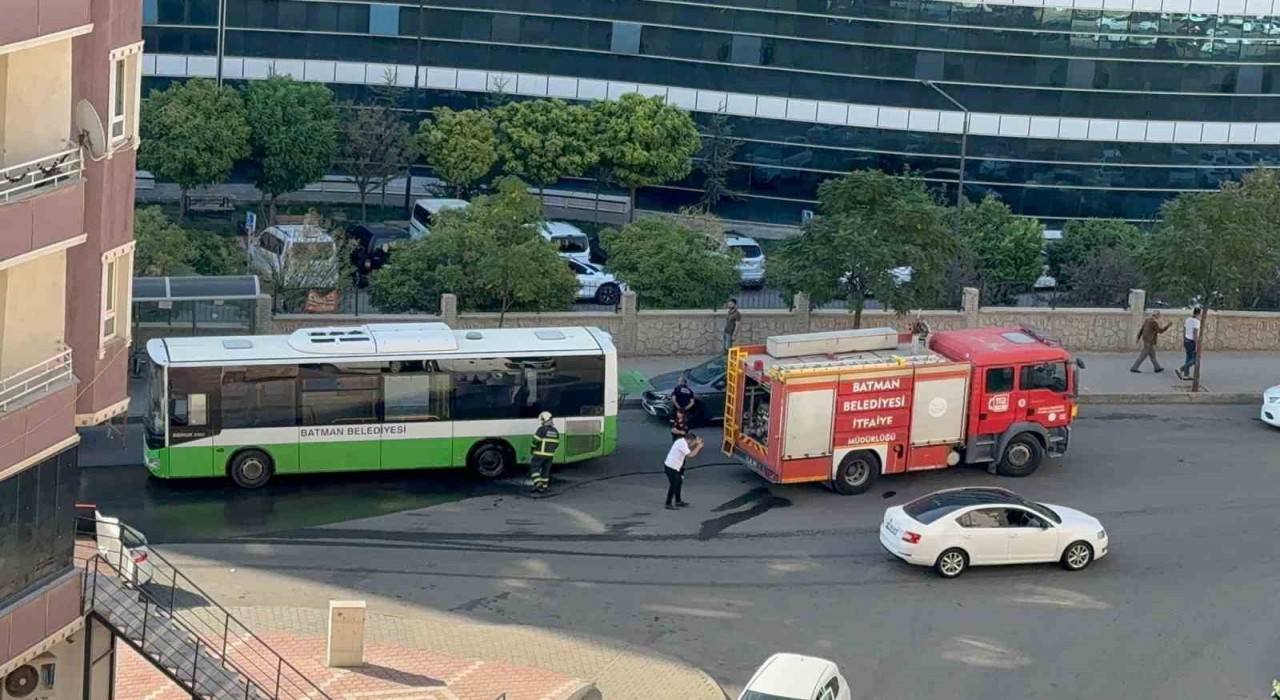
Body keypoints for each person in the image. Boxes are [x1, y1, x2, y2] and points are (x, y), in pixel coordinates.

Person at [664, 431, 703, 510]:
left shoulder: (682, 441)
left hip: (674, 467)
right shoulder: (682, 444)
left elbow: (689, 448)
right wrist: (698, 447)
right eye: (693, 442)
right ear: (689, 440)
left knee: (678, 482)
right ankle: (668, 503)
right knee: (674, 484)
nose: (693, 444)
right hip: (671, 467)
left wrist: (696, 443)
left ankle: (678, 501)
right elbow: (691, 455)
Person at [529, 411, 558, 492]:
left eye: (542, 420)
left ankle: (538, 484)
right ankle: (544, 487)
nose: (542, 422)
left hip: (539, 454)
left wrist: (532, 449)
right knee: (546, 471)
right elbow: (556, 444)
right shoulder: (555, 431)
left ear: (545, 420)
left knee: (534, 469)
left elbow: (535, 440)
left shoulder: (542, 429)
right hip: (550, 455)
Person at [1176, 308, 1202, 380]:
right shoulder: (1197, 322)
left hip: (1186, 340)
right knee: (1196, 359)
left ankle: (1186, 375)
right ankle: (1181, 369)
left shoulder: (1188, 320)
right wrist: (1197, 345)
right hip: (1192, 342)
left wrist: (1184, 339)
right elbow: (1195, 334)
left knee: (1188, 358)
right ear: (1199, 314)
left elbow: (1184, 330)